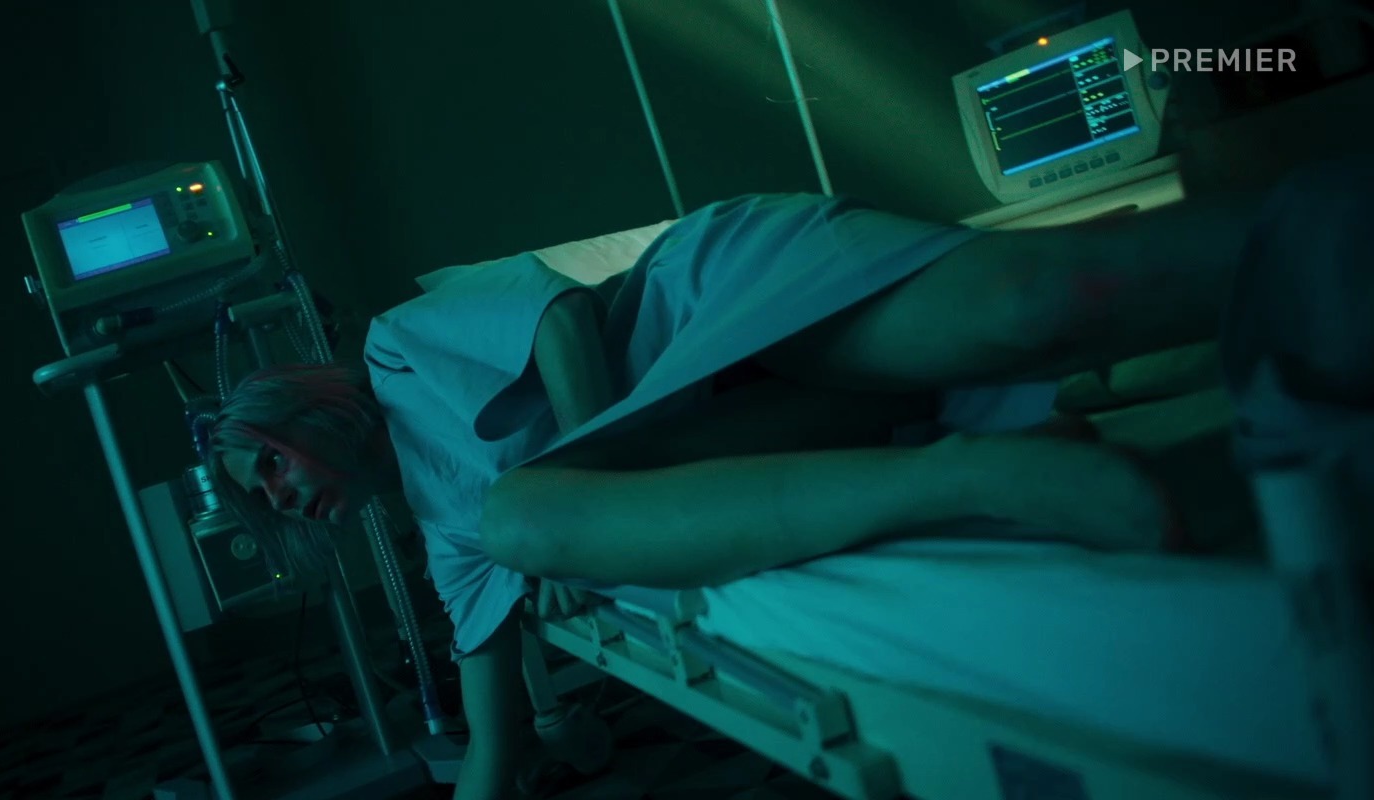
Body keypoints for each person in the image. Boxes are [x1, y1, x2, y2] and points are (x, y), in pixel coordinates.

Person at [204, 161, 1369, 798]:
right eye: (269, 501)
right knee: (516, 521)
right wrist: (558, 527)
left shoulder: (399, 346)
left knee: (1040, 301)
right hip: (776, 425)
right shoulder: (450, 538)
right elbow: (495, 748)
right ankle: (980, 471)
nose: (282, 492)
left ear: (300, 406)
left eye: (268, 461)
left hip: (724, 306)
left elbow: (559, 315)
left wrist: (584, 480)